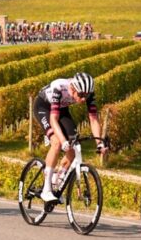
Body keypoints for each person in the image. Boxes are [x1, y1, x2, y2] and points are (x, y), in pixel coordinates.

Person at [33, 72, 108, 202]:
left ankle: (55, 182)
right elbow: (53, 119)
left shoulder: (87, 91)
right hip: (43, 107)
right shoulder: (59, 87)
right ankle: (46, 189)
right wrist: (63, 141)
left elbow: (93, 119)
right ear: (72, 89)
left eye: (86, 96)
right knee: (56, 143)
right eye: (81, 95)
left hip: (61, 109)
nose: (84, 99)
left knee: (73, 148)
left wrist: (99, 143)